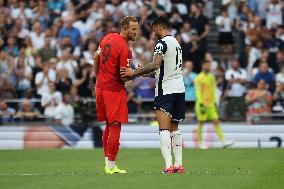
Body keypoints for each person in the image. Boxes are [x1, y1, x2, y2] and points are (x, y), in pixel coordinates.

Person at [121, 17, 185, 174]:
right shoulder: (176, 44)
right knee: (175, 128)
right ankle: (179, 165)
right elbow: (162, 70)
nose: (153, 33)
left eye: (153, 29)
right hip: (179, 89)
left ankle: (168, 166)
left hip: (166, 90)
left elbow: (156, 64)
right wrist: (142, 74)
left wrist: (134, 72)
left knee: (163, 129)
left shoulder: (161, 44)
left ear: (158, 27)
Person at [93, 16, 139, 174]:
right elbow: (123, 76)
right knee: (115, 125)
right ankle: (112, 165)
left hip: (100, 87)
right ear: (125, 29)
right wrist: (134, 73)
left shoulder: (108, 37)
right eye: (133, 29)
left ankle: (108, 164)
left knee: (108, 124)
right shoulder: (125, 49)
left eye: (137, 29)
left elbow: (96, 57)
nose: (136, 32)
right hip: (113, 89)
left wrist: (97, 77)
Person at [194, 60, 234, 149]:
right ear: (203, 66)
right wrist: (200, 103)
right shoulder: (198, 78)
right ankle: (200, 143)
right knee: (201, 122)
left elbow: (213, 90)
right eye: (207, 66)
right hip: (202, 104)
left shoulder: (211, 77)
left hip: (211, 104)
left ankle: (223, 141)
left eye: (210, 66)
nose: (209, 67)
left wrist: (215, 101)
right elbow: (197, 91)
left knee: (216, 121)